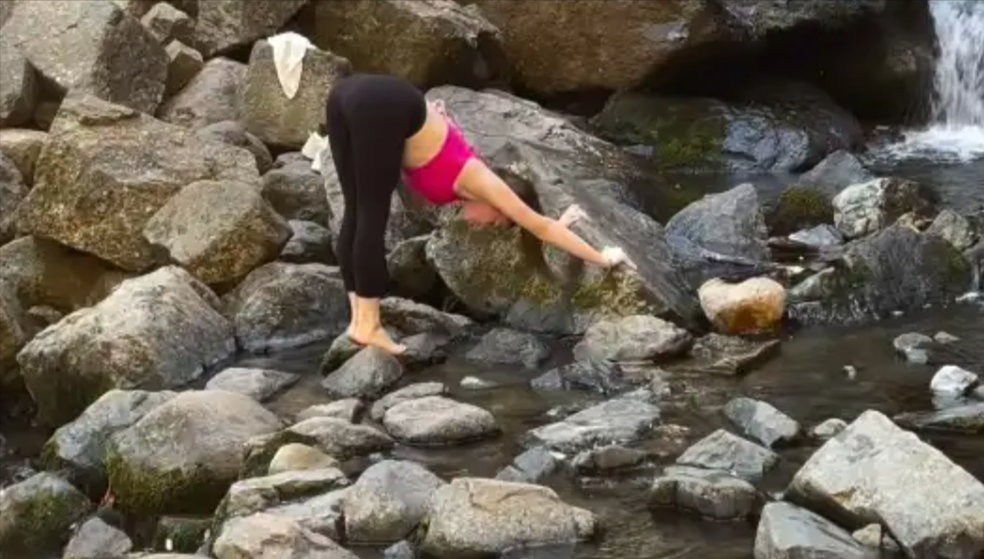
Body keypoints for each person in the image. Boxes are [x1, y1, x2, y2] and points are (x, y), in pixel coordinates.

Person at [325, 73, 633, 356]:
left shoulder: (465, 178)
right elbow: (541, 226)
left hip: (346, 95)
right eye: (497, 221)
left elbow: (542, 228)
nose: (485, 226)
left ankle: (358, 320)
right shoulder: (485, 182)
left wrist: (561, 224)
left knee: (356, 212)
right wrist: (603, 257)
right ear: (500, 204)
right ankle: (369, 325)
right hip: (379, 103)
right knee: (370, 216)